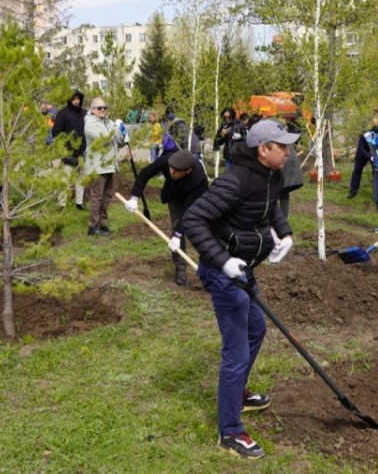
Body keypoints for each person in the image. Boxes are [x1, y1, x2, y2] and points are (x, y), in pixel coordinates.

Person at [183, 119, 297, 459]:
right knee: (236, 351)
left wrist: (285, 233)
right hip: (223, 271)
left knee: (256, 330)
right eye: (283, 147)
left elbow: (271, 207)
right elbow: (193, 220)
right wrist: (223, 261)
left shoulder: (271, 176)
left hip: (243, 267)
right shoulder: (234, 181)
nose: (289, 152)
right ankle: (230, 431)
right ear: (263, 149)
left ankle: (237, 394)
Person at [125, 146, 209, 287]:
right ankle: (180, 270)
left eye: (176, 171)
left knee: (197, 231)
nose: (171, 172)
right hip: (174, 195)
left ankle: (208, 270)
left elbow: (188, 211)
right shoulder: (169, 161)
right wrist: (134, 197)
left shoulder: (199, 179)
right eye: (170, 168)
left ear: (188, 171)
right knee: (176, 226)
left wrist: (179, 234)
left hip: (194, 200)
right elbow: (145, 173)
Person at [83, 97, 120, 236]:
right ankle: (93, 227)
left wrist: (122, 133)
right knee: (97, 197)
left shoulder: (108, 122)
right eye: (99, 108)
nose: (103, 110)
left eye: (105, 107)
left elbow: (118, 139)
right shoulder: (90, 124)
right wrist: (115, 130)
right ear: (93, 110)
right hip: (97, 166)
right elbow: (104, 139)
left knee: (107, 196)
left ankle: (103, 224)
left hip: (110, 165)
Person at [52, 89, 87, 210]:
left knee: (81, 179)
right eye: (74, 99)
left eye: (78, 98)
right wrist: (65, 145)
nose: (76, 101)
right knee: (65, 179)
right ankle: (62, 204)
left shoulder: (85, 113)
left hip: (82, 151)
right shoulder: (62, 114)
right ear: (69, 100)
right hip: (68, 152)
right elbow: (56, 131)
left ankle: (79, 202)